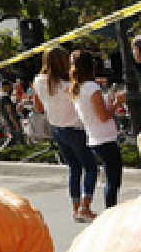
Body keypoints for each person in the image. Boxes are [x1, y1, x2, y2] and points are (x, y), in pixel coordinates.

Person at [33, 45, 101, 222]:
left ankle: (76, 208)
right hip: (76, 128)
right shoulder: (67, 85)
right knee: (91, 167)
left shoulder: (38, 81)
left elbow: (38, 108)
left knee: (74, 169)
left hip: (57, 129)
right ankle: (85, 208)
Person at [69, 50, 123, 211]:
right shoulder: (91, 87)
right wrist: (117, 103)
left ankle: (109, 211)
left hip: (94, 136)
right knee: (113, 181)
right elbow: (103, 116)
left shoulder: (77, 88)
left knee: (111, 179)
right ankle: (110, 212)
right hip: (104, 137)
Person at [0, 78, 26, 148]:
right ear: (4, 86)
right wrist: (16, 124)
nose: (10, 87)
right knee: (17, 137)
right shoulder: (5, 97)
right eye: (8, 86)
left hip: (6, 119)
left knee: (14, 137)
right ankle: (4, 148)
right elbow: (10, 112)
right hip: (11, 120)